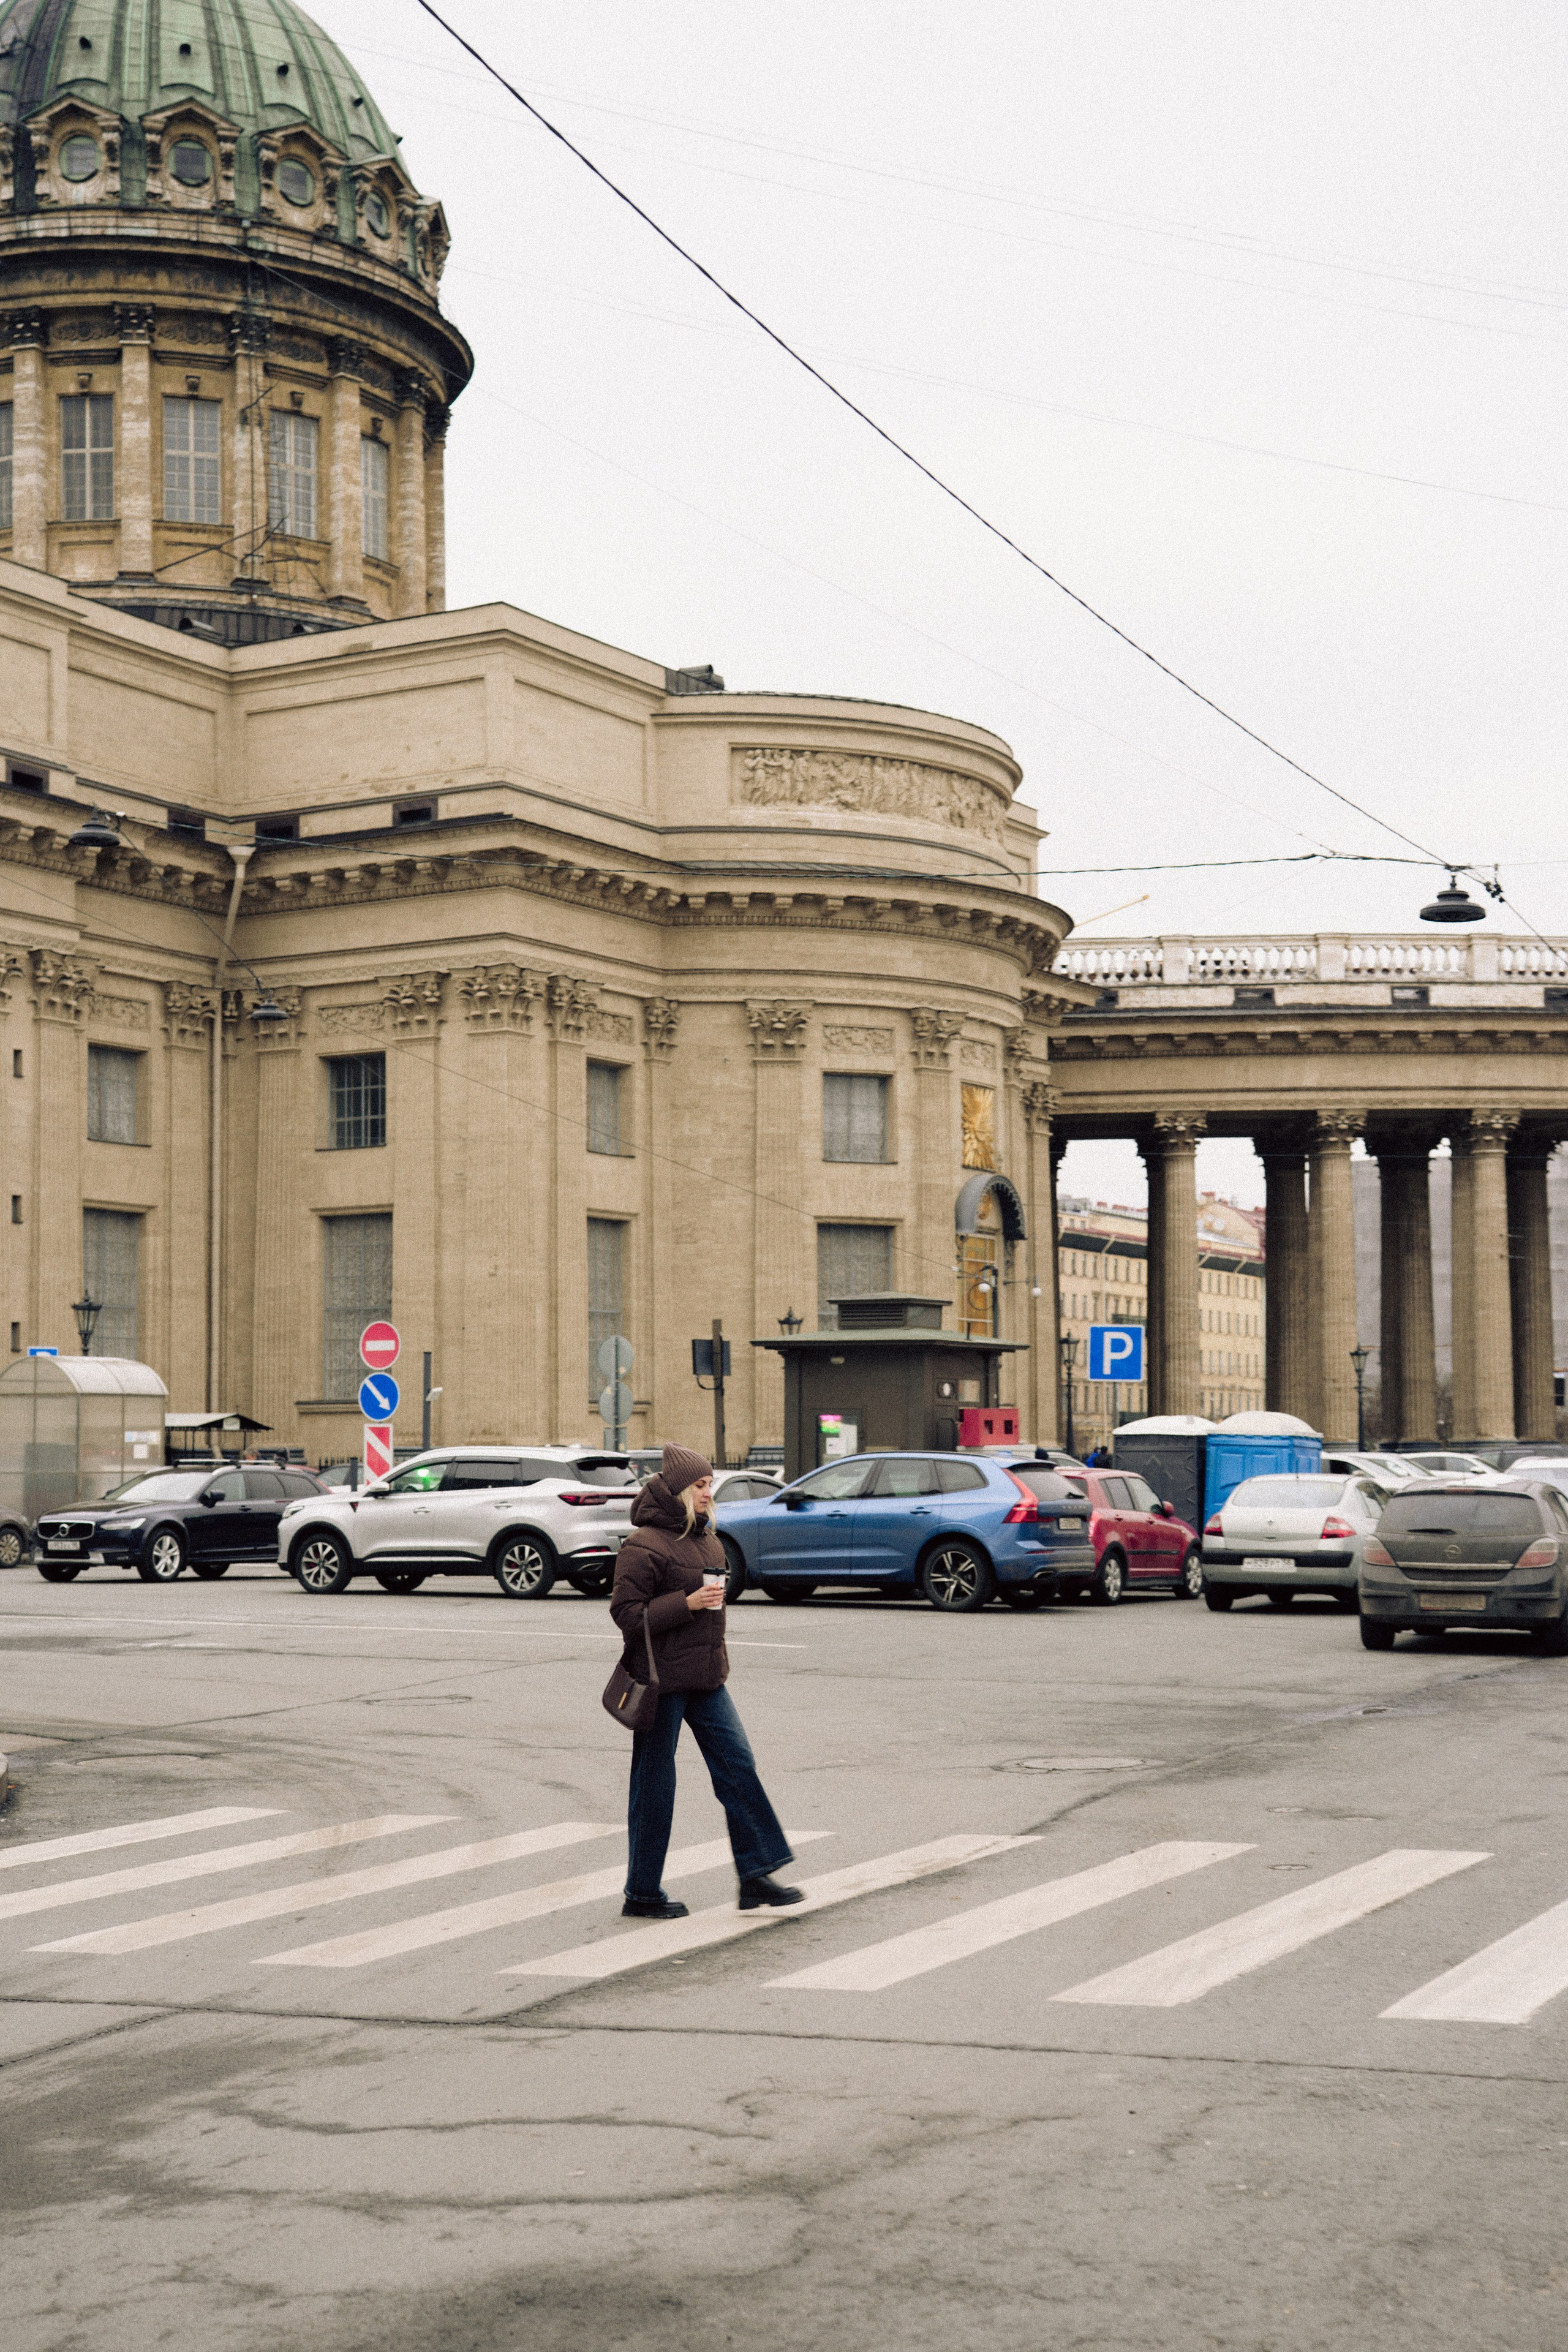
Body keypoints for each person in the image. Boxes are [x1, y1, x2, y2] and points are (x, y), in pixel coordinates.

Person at [609, 1442, 802, 1921]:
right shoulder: (644, 1546)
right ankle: (642, 1891)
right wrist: (688, 1604)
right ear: (676, 1490)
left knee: (738, 1765)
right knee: (655, 1784)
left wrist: (707, 1608)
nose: (707, 1492)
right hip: (661, 1682)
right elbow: (626, 1614)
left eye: (709, 1483)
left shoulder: (708, 1539)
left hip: (706, 1678)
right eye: (699, 1485)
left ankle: (756, 1874)